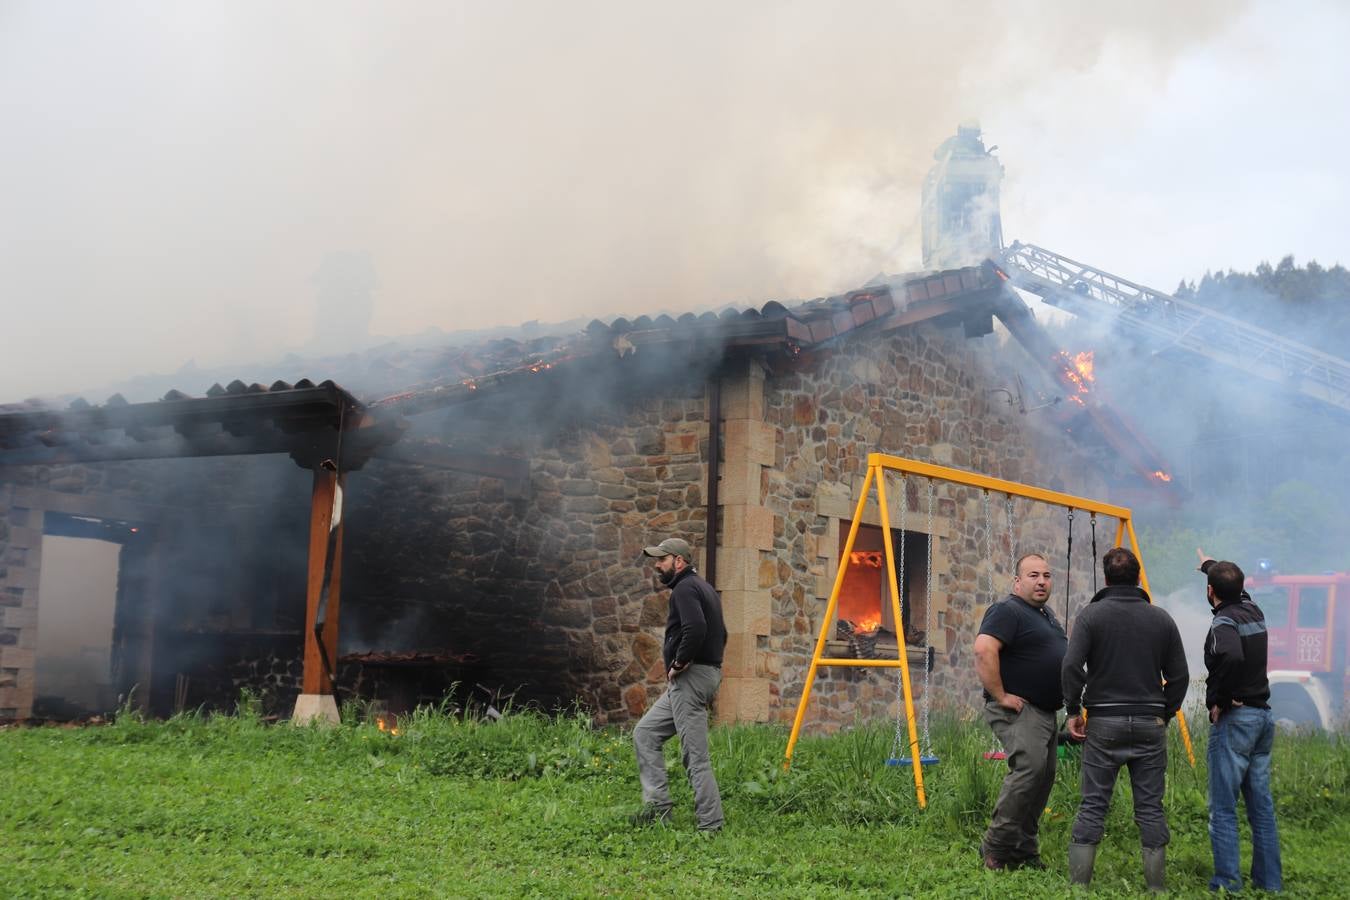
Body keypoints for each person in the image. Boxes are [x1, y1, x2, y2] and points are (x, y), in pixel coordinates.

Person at [1062, 546, 1189, 892]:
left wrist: (1074, 710)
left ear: (1105, 578)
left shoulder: (1091, 616)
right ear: (1137, 578)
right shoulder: (1161, 619)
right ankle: (1156, 889)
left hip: (1103, 723)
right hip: (1151, 725)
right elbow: (1180, 676)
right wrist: (1163, 712)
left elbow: (1071, 666)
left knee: (1093, 805)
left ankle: (1079, 888)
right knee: (1150, 807)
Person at [973, 553, 1067, 871]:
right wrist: (1000, 695)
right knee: (1028, 772)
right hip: (1020, 710)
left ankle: (1024, 850)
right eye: (1033, 575)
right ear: (1017, 581)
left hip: (1044, 712)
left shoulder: (1046, 615)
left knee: (1042, 778)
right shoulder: (1007, 610)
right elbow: (984, 649)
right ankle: (996, 848)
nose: (1041, 581)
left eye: (1046, 575)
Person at [1197, 550, 1282, 892]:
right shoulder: (1253, 610)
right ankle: (1269, 883)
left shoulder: (1224, 622)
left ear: (1210, 593)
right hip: (1262, 718)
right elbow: (1233, 588)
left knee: (1223, 808)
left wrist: (1219, 699)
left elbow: (1230, 654)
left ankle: (1227, 883)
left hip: (1237, 720)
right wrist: (1209, 566)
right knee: (1261, 809)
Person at [630, 537, 727, 833]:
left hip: (691, 679)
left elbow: (696, 628)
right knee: (645, 733)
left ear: (679, 561)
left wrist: (680, 662)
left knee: (694, 756)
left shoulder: (685, 588)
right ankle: (657, 809)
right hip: (698, 677)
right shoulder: (703, 587)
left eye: (662, 560)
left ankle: (711, 825)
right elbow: (721, 633)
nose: (657, 565)